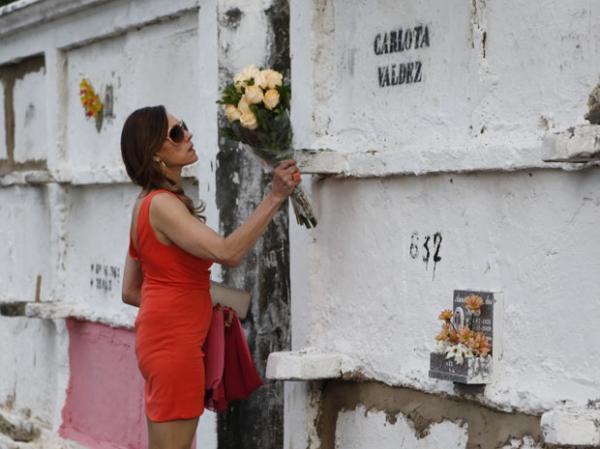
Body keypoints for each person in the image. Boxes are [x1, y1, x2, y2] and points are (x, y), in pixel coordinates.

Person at [119, 105, 300, 449]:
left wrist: (196, 300)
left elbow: (132, 290)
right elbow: (227, 252)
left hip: (163, 341)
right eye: (175, 134)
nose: (187, 135)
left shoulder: (143, 204)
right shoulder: (162, 205)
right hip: (175, 348)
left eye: (183, 127)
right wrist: (275, 196)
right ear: (154, 152)